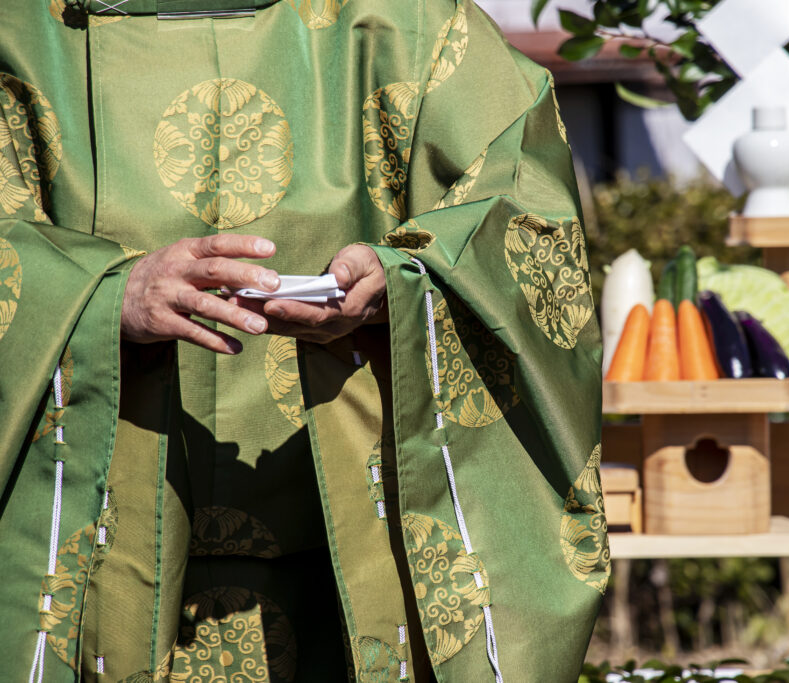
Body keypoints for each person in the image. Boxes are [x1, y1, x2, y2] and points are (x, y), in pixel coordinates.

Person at [0, 0, 607, 681]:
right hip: (102, 538)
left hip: (356, 541)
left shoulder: (411, 25)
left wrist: (406, 280)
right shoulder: (21, 32)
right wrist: (103, 296)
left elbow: (521, 218)